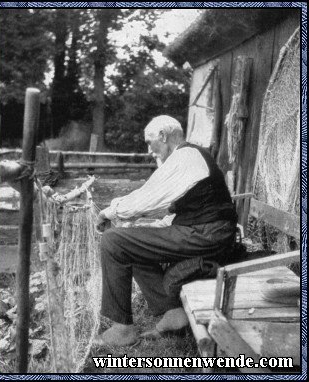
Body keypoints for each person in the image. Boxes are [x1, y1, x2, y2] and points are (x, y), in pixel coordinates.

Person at [95, 115, 237, 346]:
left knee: (114, 241)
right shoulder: (188, 159)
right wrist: (143, 227)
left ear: (163, 136)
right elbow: (174, 213)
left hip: (207, 234)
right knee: (132, 241)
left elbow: (147, 197)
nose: (149, 150)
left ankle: (122, 329)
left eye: (150, 142)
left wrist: (108, 212)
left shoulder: (186, 156)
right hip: (206, 231)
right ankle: (174, 312)